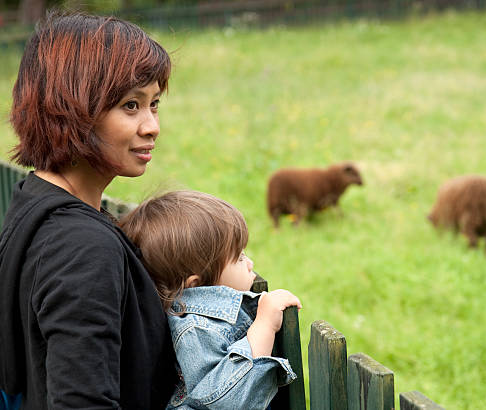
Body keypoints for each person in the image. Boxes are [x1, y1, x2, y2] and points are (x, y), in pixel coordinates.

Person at [0, 11, 178, 409]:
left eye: (154, 104)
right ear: (71, 110)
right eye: (131, 105)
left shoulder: (35, 198)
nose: (152, 126)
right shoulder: (82, 247)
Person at [119, 190, 302, 409]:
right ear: (196, 285)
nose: (250, 263)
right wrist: (264, 325)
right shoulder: (196, 328)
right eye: (239, 258)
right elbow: (228, 401)